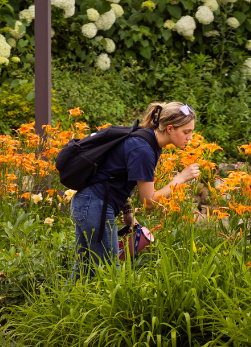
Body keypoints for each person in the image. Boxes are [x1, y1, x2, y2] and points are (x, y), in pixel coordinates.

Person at [70, 101, 200, 280]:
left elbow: (115, 174)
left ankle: (67, 306)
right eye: (186, 132)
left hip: (87, 204)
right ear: (170, 128)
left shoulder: (147, 140)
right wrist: (180, 179)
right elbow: (149, 203)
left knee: (84, 271)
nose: (190, 138)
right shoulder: (144, 149)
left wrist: (127, 211)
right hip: (95, 207)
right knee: (109, 274)